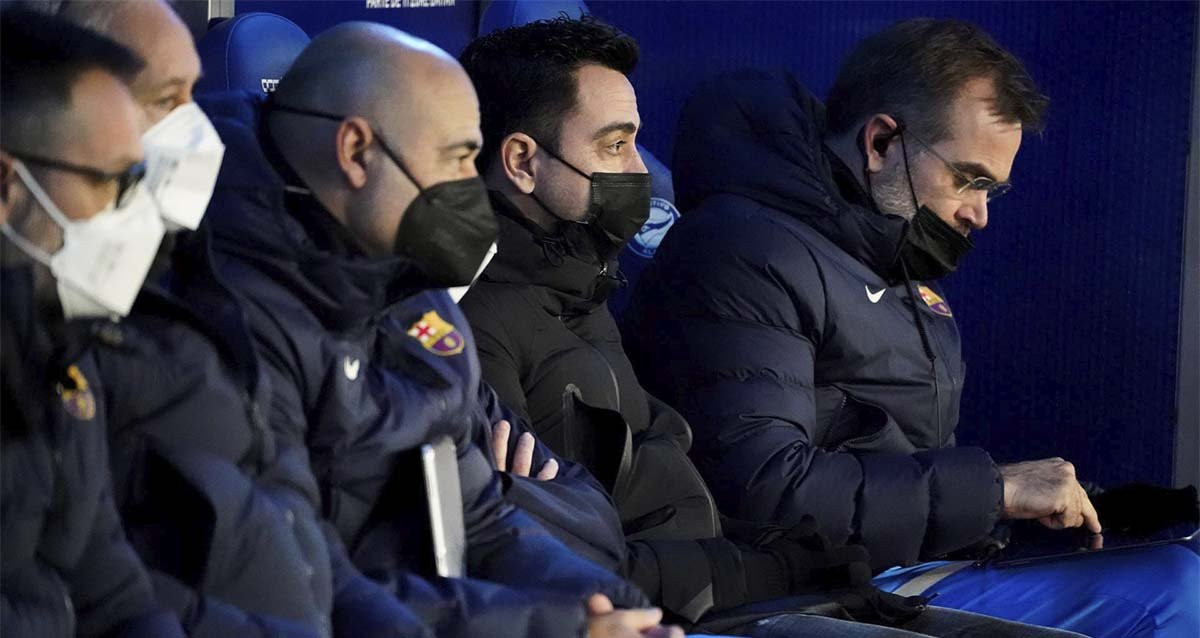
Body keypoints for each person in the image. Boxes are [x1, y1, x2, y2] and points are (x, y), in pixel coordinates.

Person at [456, 15, 1097, 638]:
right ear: (521, 162)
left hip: (757, 589)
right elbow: (558, 559)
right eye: (615, 144)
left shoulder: (580, 295)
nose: (640, 173)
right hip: (713, 605)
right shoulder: (477, 324)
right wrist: (801, 565)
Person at [622, 17, 1200, 638]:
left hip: (885, 570)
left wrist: (1072, 506)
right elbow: (763, 490)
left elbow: (890, 459)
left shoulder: (880, 248)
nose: (979, 213)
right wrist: (997, 490)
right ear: (880, 144)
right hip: (793, 589)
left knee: (1171, 568)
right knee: (1170, 595)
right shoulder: (745, 250)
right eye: (969, 179)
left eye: (993, 191)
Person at [198, 20, 681, 638]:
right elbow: (305, 589)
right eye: (455, 160)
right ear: (355, 153)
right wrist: (560, 626)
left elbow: (486, 518)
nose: (473, 193)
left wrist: (614, 610)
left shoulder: (419, 306)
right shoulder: (230, 324)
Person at [44, 2, 433, 636]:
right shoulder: (69, 338)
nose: (196, 128)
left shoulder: (204, 293)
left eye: (195, 94)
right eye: (166, 98)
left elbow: (307, 548)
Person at [0, 9, 185, 637]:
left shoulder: (59, 348)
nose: (135, 213)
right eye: (112, 182)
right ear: (7, 185)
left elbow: (110, 588)